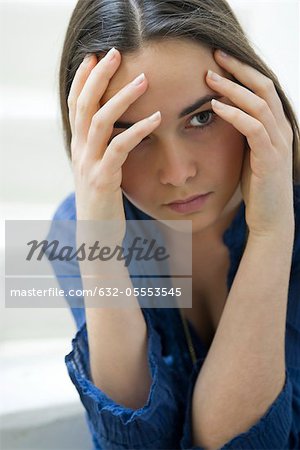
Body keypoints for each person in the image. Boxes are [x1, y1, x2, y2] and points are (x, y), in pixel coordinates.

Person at [46, 0, 300, 448]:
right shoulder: (73, 228)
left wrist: (272, 232)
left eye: (201, 118)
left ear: (254, 96)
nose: (178, 173)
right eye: (135, 136)